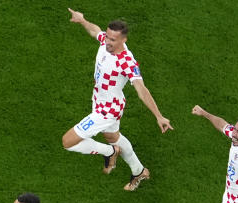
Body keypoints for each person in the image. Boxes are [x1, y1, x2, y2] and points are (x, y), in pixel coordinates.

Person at [63, 9, 173, 191]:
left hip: (107, 111)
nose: (107, 42)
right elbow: (94, 31)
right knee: (112, 136)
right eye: (107, 37)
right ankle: (139, 171)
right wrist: (82, 20)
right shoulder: (105, 43)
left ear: (124, 40)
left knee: (68, 142)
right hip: (99, 100)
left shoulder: (127, 62)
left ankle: (110, 152)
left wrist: (159, 116)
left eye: (112, 40)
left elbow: (141, 89)